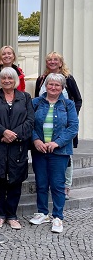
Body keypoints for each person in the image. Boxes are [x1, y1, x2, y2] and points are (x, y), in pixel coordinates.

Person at [0, 67, 34, 230]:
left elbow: (30, 120)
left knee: (16, 180)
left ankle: (12, 215)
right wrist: (3, 132)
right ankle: (0, 214)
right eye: (4, 78)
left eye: (10, 78)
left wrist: (14, 134)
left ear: (15, 80)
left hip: (18, 146)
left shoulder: (25, 97)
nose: (7, 81)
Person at [29, 73, 79, 233]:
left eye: (57, 85)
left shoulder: (68, 105)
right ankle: (42, 212)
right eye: (50, 84)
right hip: (39, 150)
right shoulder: (35, 103)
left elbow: (73, 127)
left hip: (60, 151)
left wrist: (57, 143)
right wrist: (36, 140)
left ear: (62, 88)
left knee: (58, 185)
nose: (53, 87)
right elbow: (28, 124)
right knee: (41, 183)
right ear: (45, 86)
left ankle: (57, 216)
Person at [34, 51, 82, 200]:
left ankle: (66, 187)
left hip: (63, 123)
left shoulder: (68, 78)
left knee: (66, 157)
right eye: (49, 60)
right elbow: (38, 98)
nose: (52, 62)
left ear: (61, 62)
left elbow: (78, 99)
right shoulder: (42, 79)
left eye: (56, 60)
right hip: (45, 122)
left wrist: (69, 116)